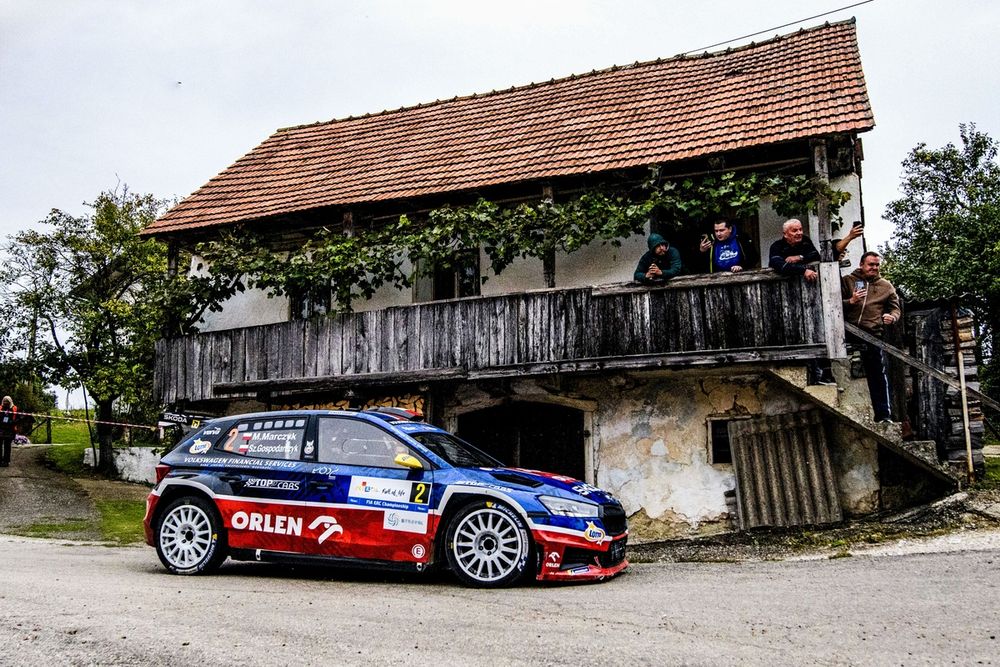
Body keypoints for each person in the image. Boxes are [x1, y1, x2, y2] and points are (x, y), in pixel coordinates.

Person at [842, 252, 902, 423]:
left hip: (871, 333)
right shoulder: (848, 281)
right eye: (870, 265)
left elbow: (896, 309)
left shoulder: (886, 286)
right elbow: (835, 303)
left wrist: (893, 317)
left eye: (877, 265)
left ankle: (883, 415)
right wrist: (851, 301)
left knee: (877, 373)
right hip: (848, 330)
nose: (874, 268)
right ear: (861, 264)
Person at [0, 396, 17, 467]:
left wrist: (12, 422)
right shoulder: (0, 408)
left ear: (10, 402)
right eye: (4, 401)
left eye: (7, 401)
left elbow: (17, 418)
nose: (6, 402)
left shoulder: (14, 408)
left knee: (7, 446)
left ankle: (6, 461)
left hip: (10, 429)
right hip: (1, 428)